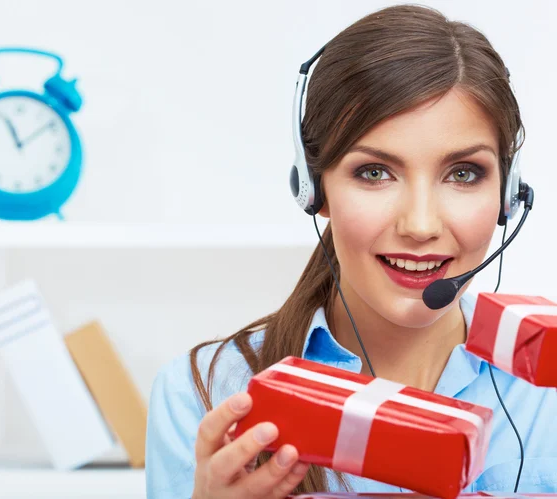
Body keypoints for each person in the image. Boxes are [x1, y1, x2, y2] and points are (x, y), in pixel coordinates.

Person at [145, 4, 557, 498]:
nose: (420, 225)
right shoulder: (205, 392)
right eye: (375, 172)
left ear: (508, 195)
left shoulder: (545, 395)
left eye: (463, 173)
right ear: (314, 190)